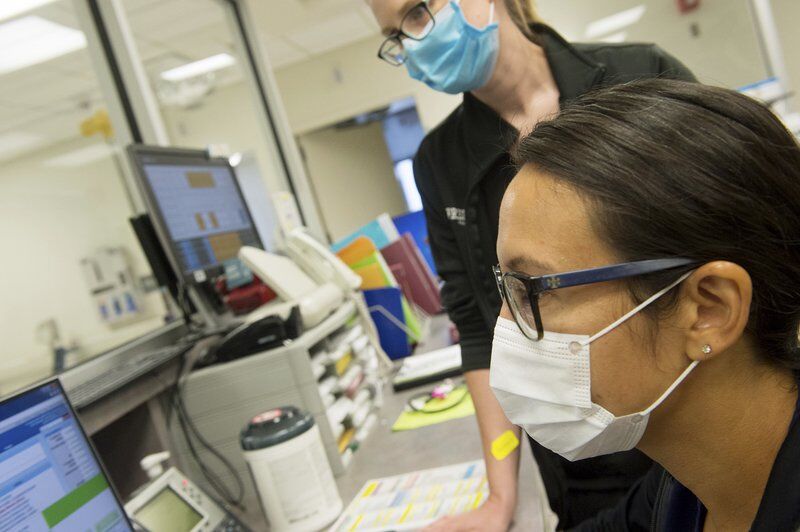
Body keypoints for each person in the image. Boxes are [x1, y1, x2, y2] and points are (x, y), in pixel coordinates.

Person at [366, 0, 695, 529]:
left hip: (698, 417)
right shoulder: (441, 161)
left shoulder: (641, 76)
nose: (412, 43)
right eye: (395, 37)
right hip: (585, 457)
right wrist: (500, 500)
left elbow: (739, 239)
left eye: (417, 12)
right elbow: (479, 331)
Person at [491, 78, 800, 531]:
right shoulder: (683, 485)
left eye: (535, 288)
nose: (505, 323)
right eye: (506, 287)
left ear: (709, 310)